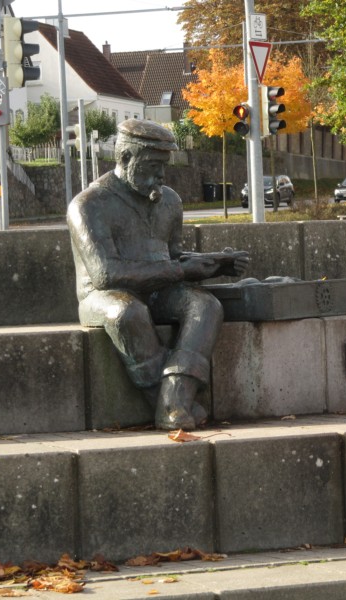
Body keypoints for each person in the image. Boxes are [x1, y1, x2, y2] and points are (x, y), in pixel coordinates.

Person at [67, 119, 249, 431]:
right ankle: (168, 403)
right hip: (103, 297)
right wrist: (180, 269)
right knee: (128, 313)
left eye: (164, 167)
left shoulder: (170, 202)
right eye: (152, 166)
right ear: (124, 159)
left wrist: (214, 262)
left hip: (158, 288)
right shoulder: (88, 205)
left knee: (205, 306)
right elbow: (106, 274)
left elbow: (173, 257)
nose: (161, 176)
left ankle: (176, 394)